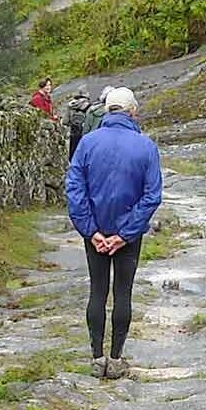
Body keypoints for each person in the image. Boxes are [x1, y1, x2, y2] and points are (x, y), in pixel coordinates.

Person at [64, 85, 162, 379]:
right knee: (122, 293)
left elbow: (74, 188)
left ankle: (96, 357)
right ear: (133, 112)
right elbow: (152, 195)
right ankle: (117, 358)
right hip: (127, 236)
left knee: (97, 291)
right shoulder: (146, 146)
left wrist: (90, 230)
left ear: (107, 110)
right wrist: (125, 234)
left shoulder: (87, 143)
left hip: (95, 231)